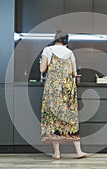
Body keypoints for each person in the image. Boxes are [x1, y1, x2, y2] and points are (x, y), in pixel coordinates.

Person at [39, 30, 88, 160]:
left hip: (53, 90)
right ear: (66, 40)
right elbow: (74, 73)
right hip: (68, 90)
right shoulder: (70, 52)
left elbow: (42, 69)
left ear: (55, 39)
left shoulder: (47, 50)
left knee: (54, 119)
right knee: (70, 118)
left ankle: (57, 153)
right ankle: (78, 151)